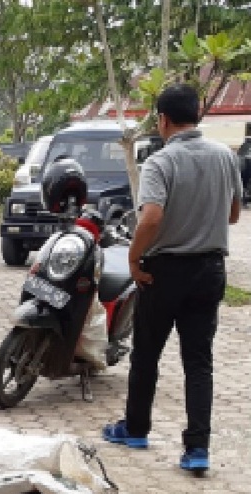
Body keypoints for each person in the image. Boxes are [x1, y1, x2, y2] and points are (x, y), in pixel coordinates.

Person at [103, 84, 242, 474]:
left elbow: (151, 218)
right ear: (197, 116)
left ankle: (136, 429)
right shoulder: (224, 157)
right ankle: (197, 449)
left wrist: (133, 257)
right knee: (199, 361)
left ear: (163, 120)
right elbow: (233, 215)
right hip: (210, 270)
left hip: (163, 271)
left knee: (147, 352)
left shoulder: (160, 163)